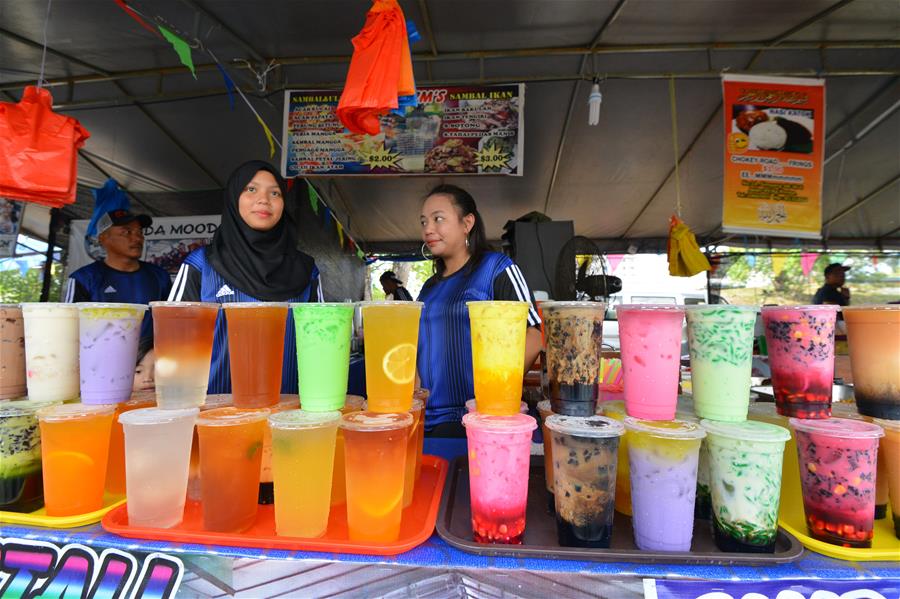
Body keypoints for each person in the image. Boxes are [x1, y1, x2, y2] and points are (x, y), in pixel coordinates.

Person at [168, 160, 323, 394]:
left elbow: (320, 344)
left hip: (287, 413)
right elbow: (172, 343)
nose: (264, 200)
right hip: (217, 414)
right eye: (251, 189)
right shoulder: (201, 265)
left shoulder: (306, 270)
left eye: (275, 193)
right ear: (233, 198)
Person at [417, 184, 542, 436]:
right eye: (423, 222)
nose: (428, 229)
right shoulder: (428, 288)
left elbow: (534, 334)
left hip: (476, 419)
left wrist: (496, 393)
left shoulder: (496, 268)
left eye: (438, 219)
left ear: (467, 223)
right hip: (426, 420)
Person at [66, 209, 172, 346]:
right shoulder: (83, 278)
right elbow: (69, 329)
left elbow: (172, 324)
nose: (138, 238)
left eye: (139, 232)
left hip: (147, 364)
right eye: (126, 232)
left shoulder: (159, 276)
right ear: (103, 238)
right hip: (99, 362)